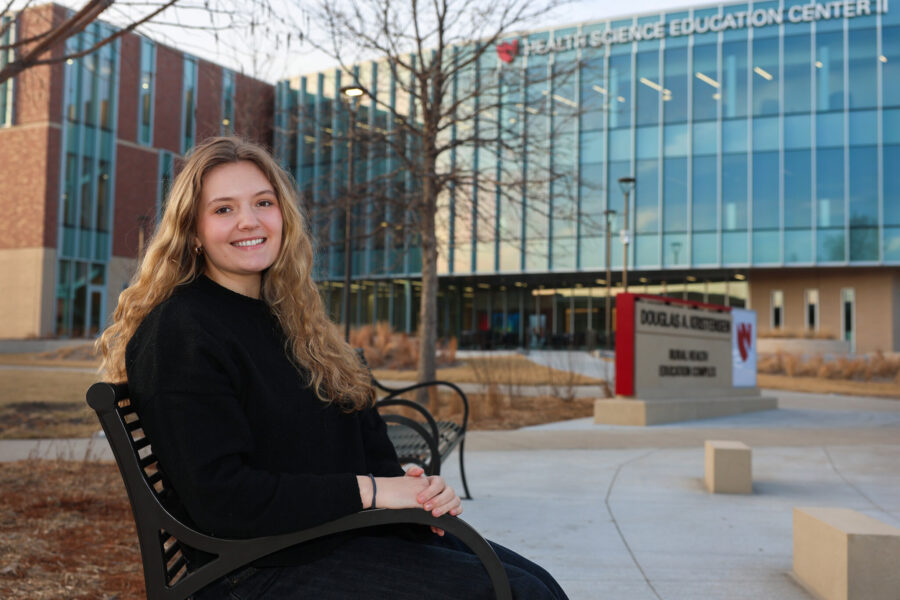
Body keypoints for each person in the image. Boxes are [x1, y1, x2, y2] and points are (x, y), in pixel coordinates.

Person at [97, 137, 568, 599]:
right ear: (194, 232)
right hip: (252, 570)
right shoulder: (181, 331)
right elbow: (225, 499)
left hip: (323, 539)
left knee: (537, 583)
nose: (249, 221)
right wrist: (372, 492)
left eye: (263, 202)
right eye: (223, 209)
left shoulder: (292, 319)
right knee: (519, 592)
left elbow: (356, 446)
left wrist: (409, 485)